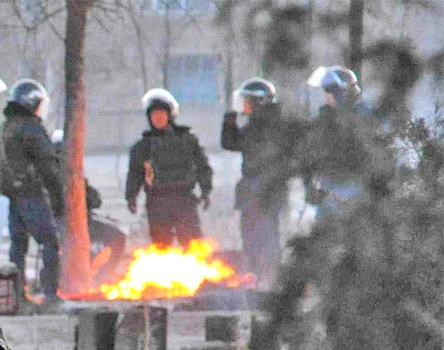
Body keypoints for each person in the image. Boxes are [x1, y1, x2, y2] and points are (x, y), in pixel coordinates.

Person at [0, 78, 64, 305]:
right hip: (30, 194)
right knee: (49, 242)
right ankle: (50, 294)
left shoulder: (4, 127)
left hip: (9, 197)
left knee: (18, 246)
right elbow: (48, 165)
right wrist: (58, 197)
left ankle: (17, 296)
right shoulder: (32, 128)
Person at [221, 77, 291, 286]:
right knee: (250, 232)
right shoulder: (255, 125)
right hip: (252, 189)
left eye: (248, 102)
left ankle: (270, 275)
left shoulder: (270, 127)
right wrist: (229, 124)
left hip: (267, 189)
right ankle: (254, 273)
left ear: (259, 103)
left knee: (267, 233)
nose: (244, 106)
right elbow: (231, 143)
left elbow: (244, 145)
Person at [125, 88, 213, 248]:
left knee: (193, 246)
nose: (158, 118)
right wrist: (131, 197)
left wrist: (206, 191)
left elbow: (203, 167)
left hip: (184, 200)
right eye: (154, 115)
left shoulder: (188, 140)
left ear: (170, 115)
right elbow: (135, 174)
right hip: (157, 202)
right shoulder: (143, 147)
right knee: (160, 248)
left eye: (161, 114)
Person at [300, 65, 388, 221]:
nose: (327, 97)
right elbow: (310, 154)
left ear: (341, 93)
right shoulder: (327, 119)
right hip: (330, 191)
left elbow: (374, 156)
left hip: (354, 191)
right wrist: (310, 186)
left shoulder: (361, 116)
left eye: (330, 92)